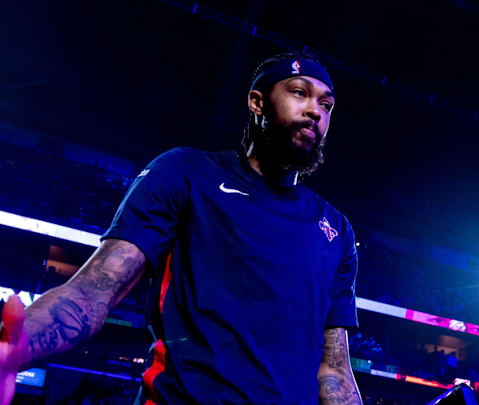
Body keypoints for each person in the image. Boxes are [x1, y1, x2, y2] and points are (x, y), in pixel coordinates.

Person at [0, 52, 362, 404]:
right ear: (257, 102)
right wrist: (17, 349)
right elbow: (94, 289)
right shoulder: (187, 173)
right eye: (299, 92)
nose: (315, 110)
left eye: (327, 105)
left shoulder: (335, 230)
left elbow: (334, 370)